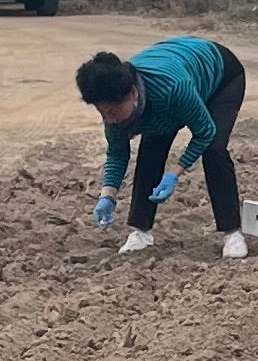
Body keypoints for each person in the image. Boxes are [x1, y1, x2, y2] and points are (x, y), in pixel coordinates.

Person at [77, 38, 249, 259]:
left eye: (113, 111)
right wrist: (107, 195)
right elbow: (117, 153)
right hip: (175, 70)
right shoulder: (114, 106)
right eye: (103, 113)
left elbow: (204, 131)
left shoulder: (173, 89)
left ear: (133, 94)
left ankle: (233, 233)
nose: (109, 119)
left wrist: (174, 173)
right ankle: (141, 232)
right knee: (151, 148)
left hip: (220, 75)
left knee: (214, 151)